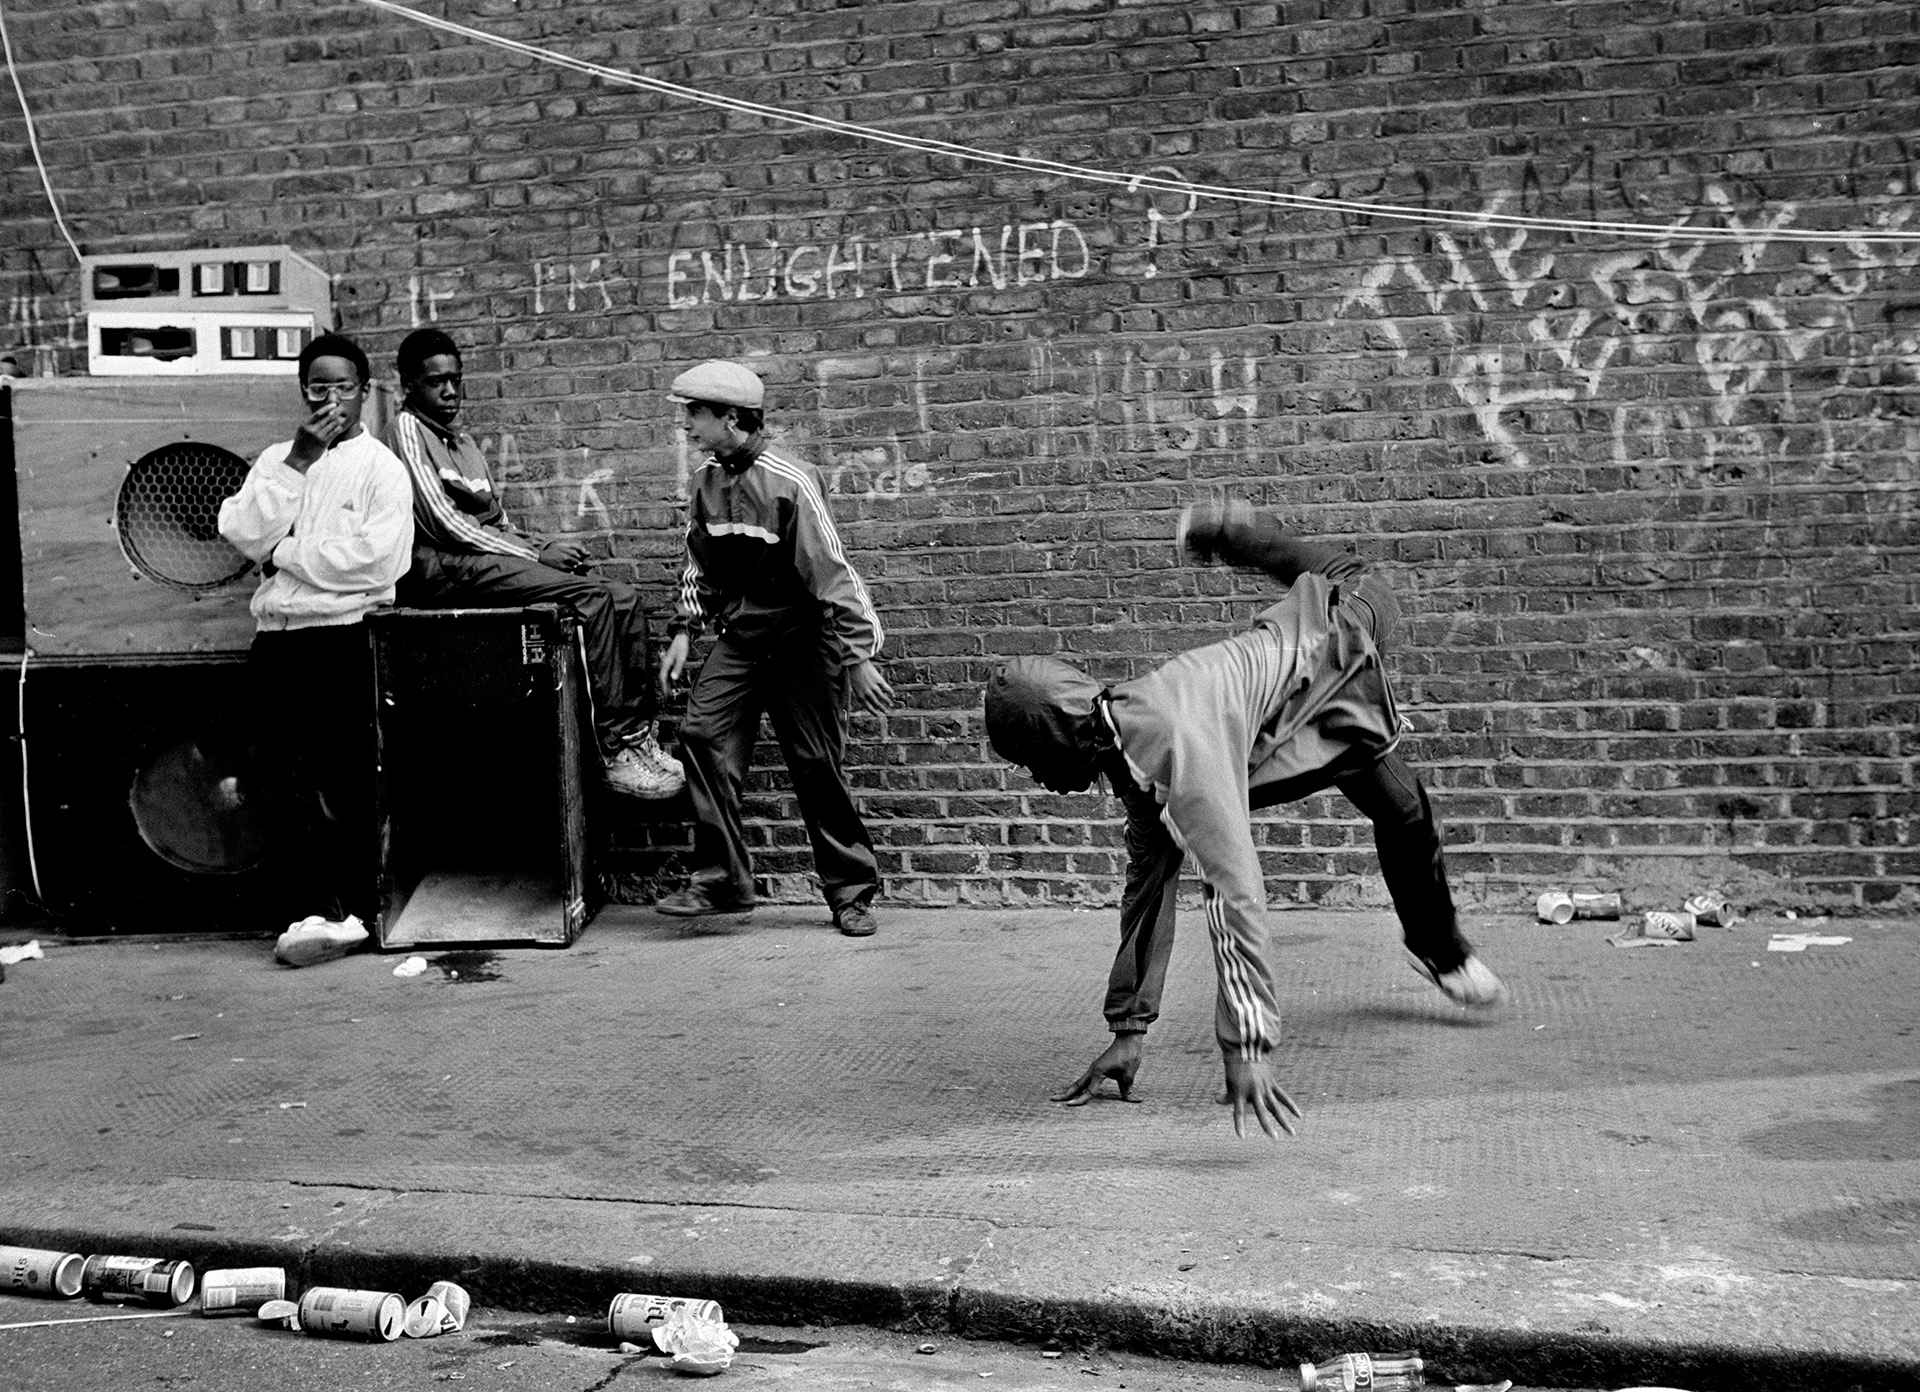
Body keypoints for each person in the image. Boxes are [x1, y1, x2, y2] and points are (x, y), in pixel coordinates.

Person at [984, 498, 1509, 1140]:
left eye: (1031, 762)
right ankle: (1234, 536)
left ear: (1058, 736)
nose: (1037, 781)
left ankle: (1235, 535)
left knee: (1404, 806)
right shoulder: (1128, 750)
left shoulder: (1175, 748)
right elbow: (1148, 891)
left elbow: (1236, 896)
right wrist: (1128, 1028)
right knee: (1399, 810)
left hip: (1341, 637)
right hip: (1291, 715)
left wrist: (1247, 1045)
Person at [379, 328, 683, 799]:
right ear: (407, 387)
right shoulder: (406, 430)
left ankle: (641, 738)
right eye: (436, 382)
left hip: (478, 561)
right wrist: (538, 555)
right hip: (442, 570)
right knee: (591, 598)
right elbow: (443, 524)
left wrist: (544, 544)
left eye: (456, 380)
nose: (450, 391)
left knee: (622, 598)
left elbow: (498, 521)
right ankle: (615, 751)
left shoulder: (461, 442)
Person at [655, 360, 892, 936]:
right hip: (741, 639)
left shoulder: (791, 480)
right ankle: (722, 881)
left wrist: (857, 655)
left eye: (696, 414)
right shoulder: (705, 482)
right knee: (701, 735)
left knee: (816, 764)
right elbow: (698, 566)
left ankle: (851, 891)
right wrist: (686, 629)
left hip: (801, 643)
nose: (687, 426)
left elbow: (833, 572)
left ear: (731, 417)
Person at [217, 332, 415, 928]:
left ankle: (360, 906)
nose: (331, 399)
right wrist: (298, 462)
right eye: (318, 387)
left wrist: (286, 554)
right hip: (277, 640)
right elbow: (242, 530)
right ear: (304, 393)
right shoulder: (280, 458)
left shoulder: (383, 469)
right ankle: (312, 909)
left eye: (344, 388)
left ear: (364, 393)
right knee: (274, 775)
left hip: (343, 637)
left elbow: (377, 561)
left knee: (346, 774)